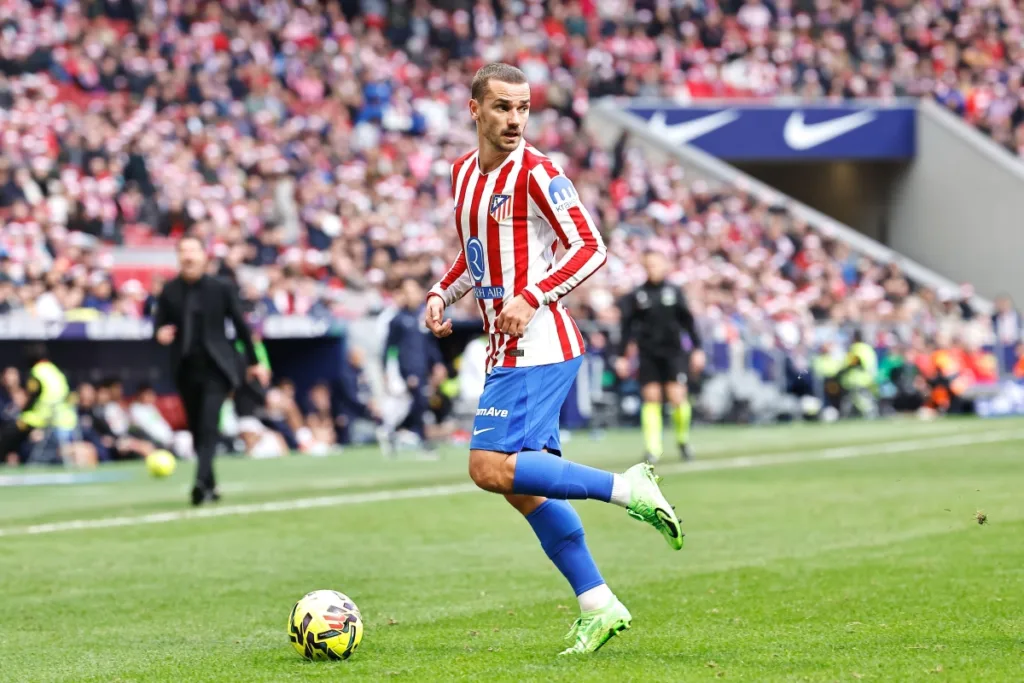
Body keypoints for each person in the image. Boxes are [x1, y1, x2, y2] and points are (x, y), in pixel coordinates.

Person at [424, 63, 684, 656]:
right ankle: (599, 604)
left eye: (523, 108)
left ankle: (627, 487)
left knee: (488, 467)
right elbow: (475, 255)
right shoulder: (463, 173)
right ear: (475, 110)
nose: (515, 119)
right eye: (503, 107)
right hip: (504, 347)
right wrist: (443, 291)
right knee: (524, 488)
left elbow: (591, 247)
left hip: (538, 344)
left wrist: (534, 295)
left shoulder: (539, 173)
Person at [153, 235, 268, 506]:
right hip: (185, 369)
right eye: (183, 251)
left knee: (208, 424)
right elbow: (157, 326)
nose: (188, 256)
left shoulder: (221, 287)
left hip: (217, 368)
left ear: (204, 256)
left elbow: (240, 326)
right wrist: (160, 334)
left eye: (193, 250)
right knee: (196, 427)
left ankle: (199, 483)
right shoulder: (169, 290)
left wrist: (254, 362)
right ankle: (211, 484)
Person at [618, 249, 706, 463]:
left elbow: (688, 322)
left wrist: (697, 349)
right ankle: (653, 449)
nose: (652, 269)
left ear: (665, 266)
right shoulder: (637, 295)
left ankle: (683, 440)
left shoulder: (674, 292)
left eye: (655, 265)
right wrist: (622, 356)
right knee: (651, 398)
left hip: (674, 352)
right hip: (648, 353)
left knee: (677, 397)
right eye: (648, 266)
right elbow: (627, 328)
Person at [0, 343, 71, 465]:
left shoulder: (37, 371)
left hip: (40, 418)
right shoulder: (55, 370)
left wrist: (23, 410)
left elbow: (32, 396)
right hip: (61, 417)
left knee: (9, 432)